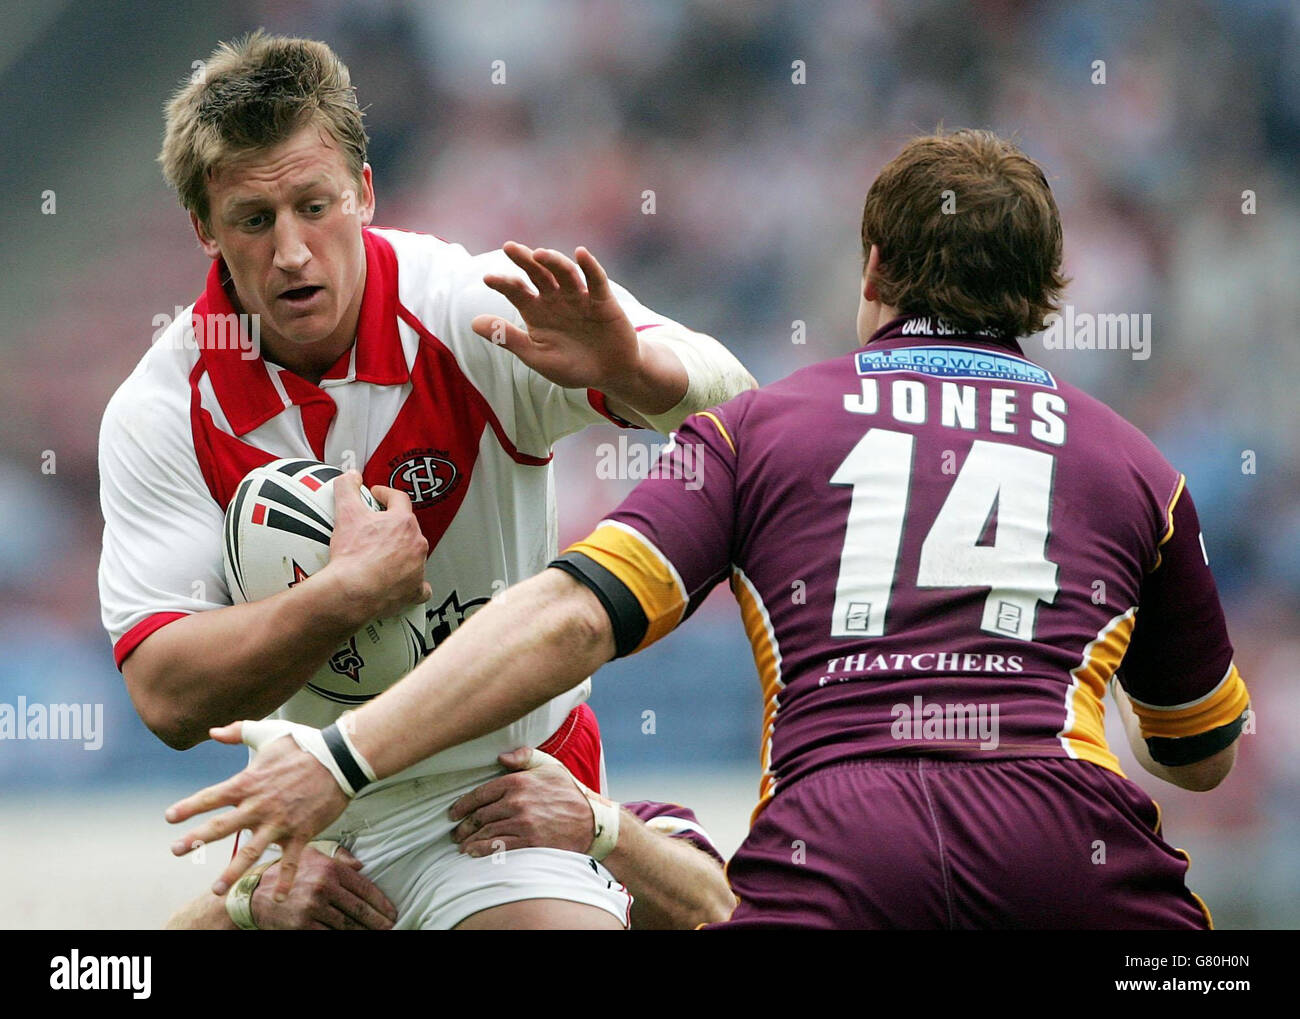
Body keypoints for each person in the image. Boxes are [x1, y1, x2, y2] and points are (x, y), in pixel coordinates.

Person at [166, 128, 1251, 929]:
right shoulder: (1135, 465)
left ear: (870, 269)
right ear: (1045, 299)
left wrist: (343, 756)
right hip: (1075, 857)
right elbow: (1196, 750)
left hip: (840, 860)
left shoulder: (764, 430)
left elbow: (567, 618)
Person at [98, 31, 754, 930]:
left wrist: (634, 369)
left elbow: (741, 414)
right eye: (255, 219)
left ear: (363, 194)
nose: (292, 251)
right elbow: (167, 698)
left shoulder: (469, 305)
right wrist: (344, 594)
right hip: (306, 818)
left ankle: (634, 848)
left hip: (500, 793)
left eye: (314, 205)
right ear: (205, 229)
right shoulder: (161, 407)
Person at [166, 745, 732, 930]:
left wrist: (599, 826)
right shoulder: (301, 844)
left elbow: (723, 907)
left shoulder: (627, 826)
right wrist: (247, 904)